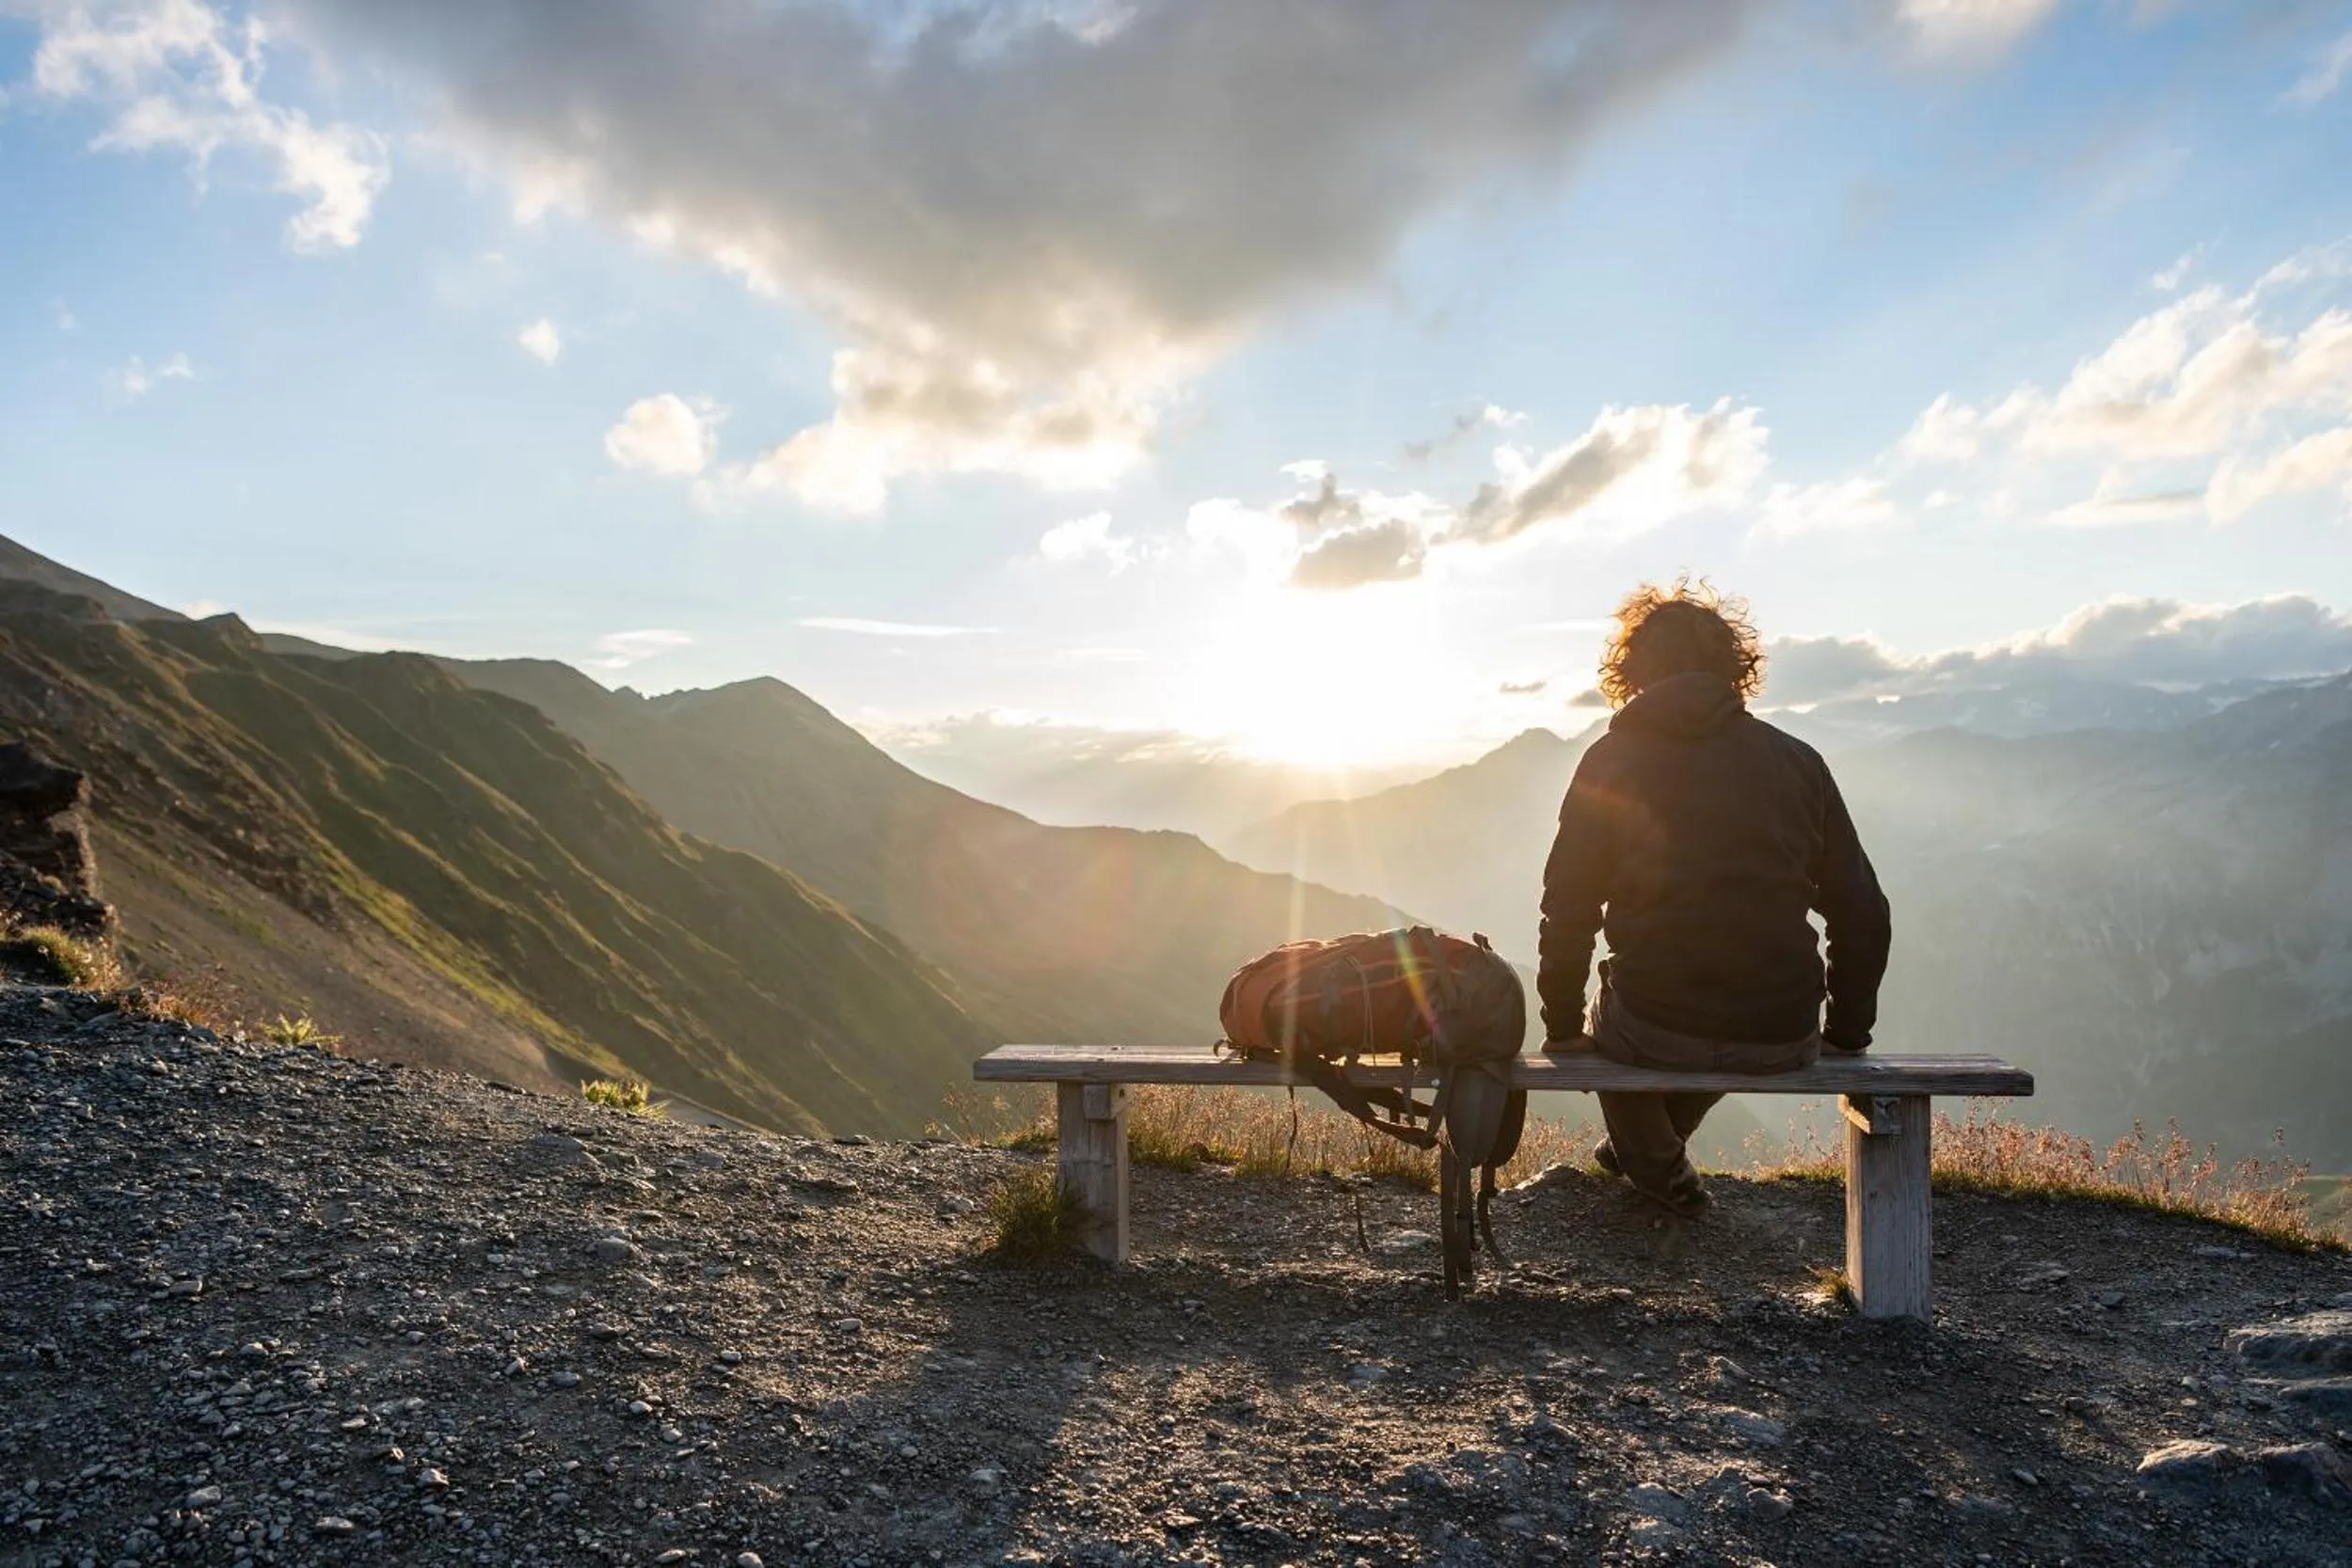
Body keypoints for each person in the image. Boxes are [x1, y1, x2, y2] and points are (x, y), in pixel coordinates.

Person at [1536, 578, 1891, 1218]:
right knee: (1724, 1001)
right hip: (1781, 1028)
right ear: (1734, 666)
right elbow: (1862, 909)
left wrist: (1560, 1025)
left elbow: (1569, 904)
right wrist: (1846, 1031)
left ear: (1635, 668)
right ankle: (1643, 1144)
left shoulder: (1611, 760)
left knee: (1610, 1015)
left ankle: (1660, 1168)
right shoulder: (1798, 762)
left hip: (1655, 1024)